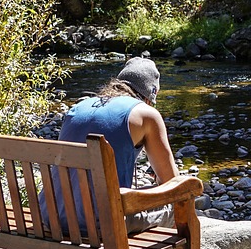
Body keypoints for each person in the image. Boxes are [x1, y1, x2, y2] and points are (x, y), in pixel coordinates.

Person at [48, 57, 180, 234]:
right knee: (177, 203)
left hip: (52, 216)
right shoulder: (146, 113)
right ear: (150, 96)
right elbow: (172, 182)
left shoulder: (78, 108)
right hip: (103, 224)